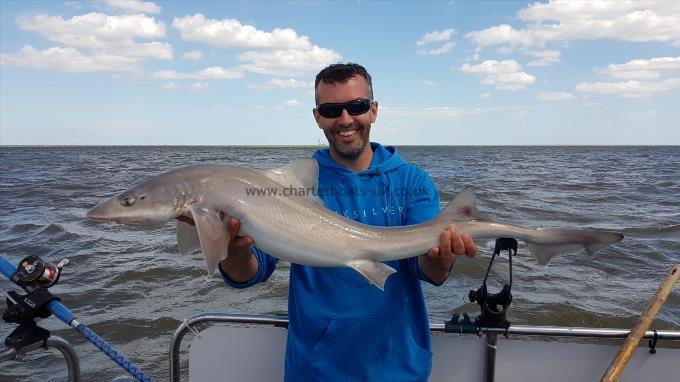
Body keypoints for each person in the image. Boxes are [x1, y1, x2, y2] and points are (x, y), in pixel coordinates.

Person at [218, 63, 476, 381]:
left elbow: (426, 269)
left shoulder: (411, 181)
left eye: (356, 106)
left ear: (374, 110)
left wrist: (443, 258)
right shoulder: (290, 187)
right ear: (317, 117)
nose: (344, 120)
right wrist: (234, 250)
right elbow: (251, 273)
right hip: (316, 370)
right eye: (331, 109)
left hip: (399, 368)